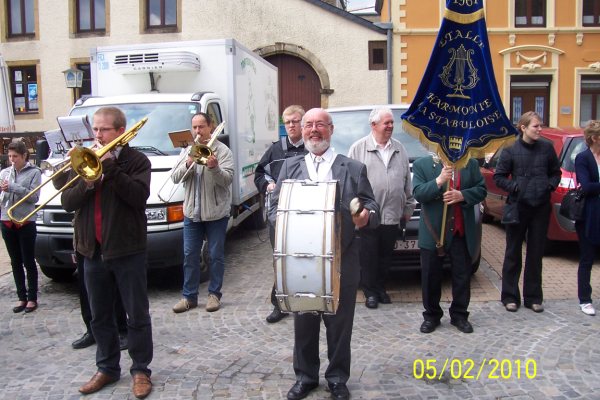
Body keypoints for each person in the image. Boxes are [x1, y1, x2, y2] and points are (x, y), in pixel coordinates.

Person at [269, 108, 380, 400]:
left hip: (342, 259)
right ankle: (305, 377)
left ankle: (337, 379)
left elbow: (371, 206)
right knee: (304, 320)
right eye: (308, 125)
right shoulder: (290, 167)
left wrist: (365, 216)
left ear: (331, 130)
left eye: (320, 124)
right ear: (301, 131)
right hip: (300, 260)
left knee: (340, 324)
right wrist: (283, 225)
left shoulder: (353, 168)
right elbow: (272, 209)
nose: (313, 130)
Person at [61, 107, 153, 398]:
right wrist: (88, 182)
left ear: (120, 132)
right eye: (95, 130)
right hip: (93, 250)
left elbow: (138, 197)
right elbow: (66, 201)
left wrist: (110, 168)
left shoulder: (137, 161)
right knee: (100, 315)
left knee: (136, 314)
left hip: (127, 249)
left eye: (103, 130)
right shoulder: (84, 161)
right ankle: (107, 368)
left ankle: (140, 370)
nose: (97, 136)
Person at [51, 171, 128, 350]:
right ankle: (91, 330)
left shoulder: (112, 163)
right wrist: (76, 174)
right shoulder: (78, 167)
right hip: (84, 238)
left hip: (109, 236)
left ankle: (122, 329)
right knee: (85, 288)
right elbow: (64, 196)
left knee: (114, 286)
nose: (97, 140)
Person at [347, 107, 416, 309]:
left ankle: (380, 288)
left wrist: (408, 208)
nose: (390, 126)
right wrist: (356, 212)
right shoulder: (358, 148)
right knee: (368, 256)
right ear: (373, 125)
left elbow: (406, 183)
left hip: (393, 214)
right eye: (386, 122)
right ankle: (370, 292)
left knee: (386, 256)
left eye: (392, 123)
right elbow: (350, 184)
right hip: (369, 216)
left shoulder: (399, 148)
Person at [494, 111, 561, 313]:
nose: (540, 129)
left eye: (540, 126)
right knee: (513, 253)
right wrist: (515, 187)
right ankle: (510, 296)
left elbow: (555, 173)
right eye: (536, 126)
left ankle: (533, 297)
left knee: (535, 253)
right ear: (523, 128)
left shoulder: (547, 148)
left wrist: (548, 186)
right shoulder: (510, 148)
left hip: (540, 207)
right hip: (518, 206)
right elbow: (499, 177)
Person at [412, 155, 486, 333]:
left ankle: (459, 315)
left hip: (460, 231)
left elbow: (482, 190)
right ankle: (431, 315)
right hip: (434, 233)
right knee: (430, 276)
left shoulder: (470, 163)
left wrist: (462, 195)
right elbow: (419, 193)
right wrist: (439, 181)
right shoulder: (422, 163)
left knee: (462, 276)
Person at [171, 112, 234, 314]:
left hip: (216, 212)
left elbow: (226, 180)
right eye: (195, 127)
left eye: (201, 127)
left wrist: (214, 168)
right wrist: (188, 162)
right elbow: (174, 178)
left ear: (211, 127)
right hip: (192, 213)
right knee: (190, 255)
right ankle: (189, 297)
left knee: (215, 255)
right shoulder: (188, 150)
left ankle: (214, 294)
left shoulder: (223, 151)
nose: (198, 131)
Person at [254, 105, 307, 323]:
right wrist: (267, 185)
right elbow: (259, 173)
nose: (292, 125)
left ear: (302, 123)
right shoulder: (275, 149)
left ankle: (306, 300)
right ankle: (279, 304)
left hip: (305, 215)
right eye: (288, 122)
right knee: (280, 259)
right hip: (280, 216)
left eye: (295, 121)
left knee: (304, 258)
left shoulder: (311, 148)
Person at [1, 141, 41, 313]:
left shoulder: (34, 172)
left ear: (24, 156)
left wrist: (13, 187)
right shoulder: (4, 172)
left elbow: (34, 197)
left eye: (15, 156)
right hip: (6, 220)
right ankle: (21, 297)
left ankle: (32, 298)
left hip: (26, 221)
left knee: (28, 261)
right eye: (10, 156)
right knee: (15, 262)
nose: (12, 160)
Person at [574, 120, 600, 316]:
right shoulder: (583, 158)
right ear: (594, 138)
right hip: (589, 214)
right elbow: (587, 186)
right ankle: (585, 299)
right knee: (587, 258)